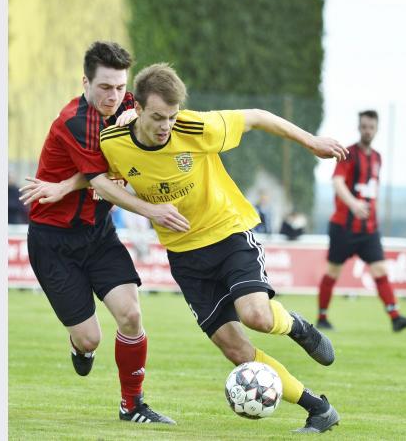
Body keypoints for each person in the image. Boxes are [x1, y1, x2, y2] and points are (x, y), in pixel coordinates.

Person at [22, 63, 348, 433]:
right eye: (158, 117)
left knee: (256, 315)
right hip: (185, 257)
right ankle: (318, 408)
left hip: (228, 234)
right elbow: (99, 173)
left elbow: (257, 117)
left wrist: (312, 142)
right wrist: (65, 186)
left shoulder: (197, 127)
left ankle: (298, 327)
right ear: (138, 110)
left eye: (172, 117)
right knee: (235, 350)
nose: (166, 126)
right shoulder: (115, 141)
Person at [20, 42, 188, 425]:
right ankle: (79, 345)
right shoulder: (73, 122)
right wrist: (152, 211)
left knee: (130, 315)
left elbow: (149, 130)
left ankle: (132, 406)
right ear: (85, 82)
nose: (114, 96)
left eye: (118, 87)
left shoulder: (132, 103)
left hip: (98, 233)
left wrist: (65, 185)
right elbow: (106, 180)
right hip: (53, 241)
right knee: (91, 338)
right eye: (104, 88)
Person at [315, 110, 406, 332]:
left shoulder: (377, 158)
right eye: (364, 126)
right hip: (343, 227)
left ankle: (395, 317)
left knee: (380, 270)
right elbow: (337, 181)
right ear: (359, 127)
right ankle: (322, 317)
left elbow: (373, 191)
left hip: (369, 230)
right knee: (333, 271)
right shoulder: (348, 154)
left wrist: (374, 213)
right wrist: (353, 203)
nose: (367, 130)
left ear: (376, 129)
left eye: (371, 127)